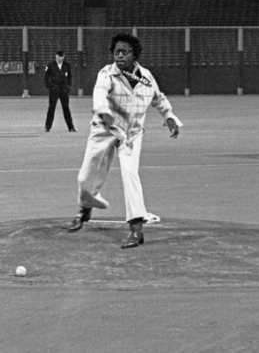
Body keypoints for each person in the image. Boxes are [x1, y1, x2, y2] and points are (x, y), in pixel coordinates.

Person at [68, 32, 183, 248]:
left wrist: (169, 116)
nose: (119, 55)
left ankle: (136, 230)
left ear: (134, 54)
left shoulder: (146, 76)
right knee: (86, 177)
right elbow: (99, 94)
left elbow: (159, 99)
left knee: (130, 173)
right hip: (104, 129)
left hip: (132, 134)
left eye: (124, 52)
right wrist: (104, 111)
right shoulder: (107, 74)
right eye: (116, 52)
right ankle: (85, 210)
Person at [44, 50, 76, 132]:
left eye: (62, 57)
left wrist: (68, 87)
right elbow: (46, 78)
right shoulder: (51, 65)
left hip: (63, 90)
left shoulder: (67, 65)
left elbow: (69, 77)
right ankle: (48, 127)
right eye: (59, 57)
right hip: (54, 90)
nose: (60, 59)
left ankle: (71, 127)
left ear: (63, 57)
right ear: (56, 56)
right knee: (51, 108)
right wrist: (50, 87)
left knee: (66, 108)